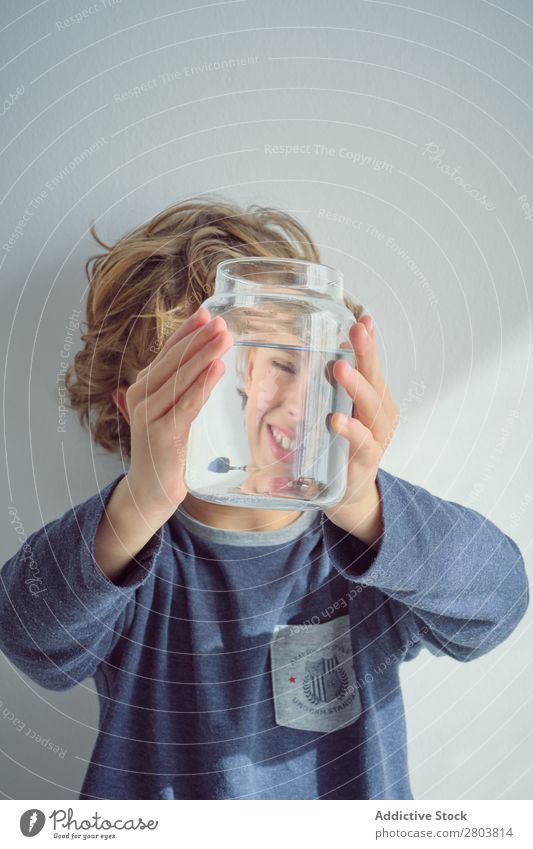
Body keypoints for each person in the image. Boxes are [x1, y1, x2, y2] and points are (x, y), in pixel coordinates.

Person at [0, 197, 528, 800]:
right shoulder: (127, 552)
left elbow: (498, 604)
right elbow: (30, 640)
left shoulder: (369, 546)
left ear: (330, 370)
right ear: (137, 411)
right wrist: (140, 501)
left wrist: (362, 505)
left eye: (281, 361)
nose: (258, 397)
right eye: (212, 377)